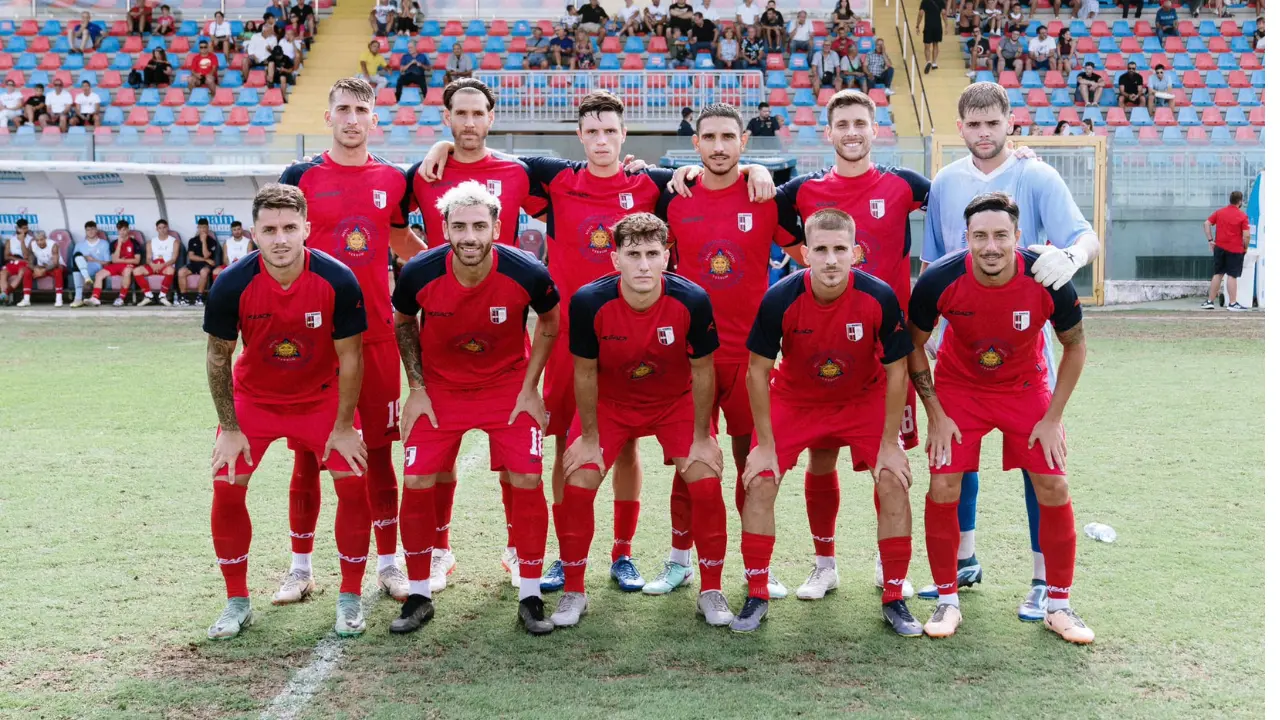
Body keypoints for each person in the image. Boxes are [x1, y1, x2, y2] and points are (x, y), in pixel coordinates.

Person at [415, 90, 774, 595]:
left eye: (611, 131)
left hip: (639, 336)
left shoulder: (651, 183)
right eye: (593, 131)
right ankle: (566, 556)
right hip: (571, 338)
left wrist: (756, 167)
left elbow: (714, 176)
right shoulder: (556, 178)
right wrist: (440, 146)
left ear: (624, 134)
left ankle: (622, 554)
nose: (603, 140)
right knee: (569, 443)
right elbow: (480, 152)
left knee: (624, 448)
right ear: (579, 136)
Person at [918, 82, 1101, 620]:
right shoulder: (946, 181)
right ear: (961, 128)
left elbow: (1085, 237)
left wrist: (1069, 257)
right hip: (959, 343)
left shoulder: (1036, 174)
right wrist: (928, 333)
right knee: (956, 462)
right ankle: (964, 560)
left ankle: (1044, 581)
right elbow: (934, 261)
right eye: (972, 125)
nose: (982, 134)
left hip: (1025, 345)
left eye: (992, 124)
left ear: (1009, 123)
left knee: (1037, 465)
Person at [908, 191, 1092, 645]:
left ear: (1018, 236)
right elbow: (913, 345)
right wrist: (935, 413)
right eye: (980, 236)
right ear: (966, 237)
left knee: (1053, 482)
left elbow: (1076, 345)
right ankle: (947, 599)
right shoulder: (940, 280)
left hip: (1024, 389)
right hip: (959, 390)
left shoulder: (1047, 278)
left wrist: (1052, 418)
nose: (991, 246)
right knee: (943, 481)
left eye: (1001, 236)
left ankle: (1059, 605)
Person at [772, 90, 929, 600]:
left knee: (890, 464)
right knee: (820, 460)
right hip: (821, 349)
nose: (852, 132)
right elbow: (755, 205)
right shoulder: (803, 191)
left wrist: (1019, 158)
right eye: (842, 123)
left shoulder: (904, 185)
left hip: (888, 355)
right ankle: (824, 564)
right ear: (829, 131)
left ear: (876, 128)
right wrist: (756, 174)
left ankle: (892, 568)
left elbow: (963, 194)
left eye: (860, 122)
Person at [277, 77, 427, 607]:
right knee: (306, 455)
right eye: (342, 108)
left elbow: (402, 237)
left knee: (382, 453)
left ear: (374, 119)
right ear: (327, 117)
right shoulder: (300, 176)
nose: (352, 118)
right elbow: (281, 241)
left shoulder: (392, 177)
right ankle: (299, 568)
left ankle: (388, 565)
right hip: (315, 341)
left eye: (362, 109)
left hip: (377, 337)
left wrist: (436, 266)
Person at [735, 208, 918, 635]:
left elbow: (896, 370)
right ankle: (758, 592)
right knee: (760, 477)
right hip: (798, 398)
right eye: (821, 249)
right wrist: (764, 444)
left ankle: (893, 595)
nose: (831, 259)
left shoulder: (878, 296)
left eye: (840, 249)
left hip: (861, 397)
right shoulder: (780, 297)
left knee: (893, 477)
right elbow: (757, 371)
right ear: (804, 253)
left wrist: (890, 443)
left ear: (856, 252)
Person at [390, 182, 561, 635]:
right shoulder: (418, 273)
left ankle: (529, 594)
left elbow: (550, 321)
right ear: (443, 228)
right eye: (459, 226)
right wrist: (417, 387)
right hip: (441, 388)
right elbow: (404, 322)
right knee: (417, 477)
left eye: (479, 226)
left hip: (507, 386)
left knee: (526, 476)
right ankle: (420, 593)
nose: (470, 236)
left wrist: (531, 387)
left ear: (498, 228)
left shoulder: (528, 271)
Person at [401, 80, 551, 589]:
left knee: (519, 466)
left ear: (491, 117)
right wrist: (434, 269)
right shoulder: (424, 172)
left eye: (477, 114)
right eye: (458, 114)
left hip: (504, 336)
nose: (468, 123)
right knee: (433, 463)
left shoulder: (516, 171)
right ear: (446, 117)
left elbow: (575, 187)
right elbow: (395, 226)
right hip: (442, 339)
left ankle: (517, 550)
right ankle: (438, 550)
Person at [202, 183, 369, 640]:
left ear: (306, 230)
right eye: (270, 229)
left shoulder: (337, 279)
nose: (280, 238)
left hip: (320, 398)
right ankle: (237, 600)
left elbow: (352, 359)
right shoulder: (231, 284)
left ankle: (350, 596)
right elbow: (218, 360)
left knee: (353, 483)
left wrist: (342, 427)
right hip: (254, 400)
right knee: (227, 486)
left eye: (290, 228)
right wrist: (231, 429)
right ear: (253, 233)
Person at [553, 212, 729, 629]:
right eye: (633, 255)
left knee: (704, 480)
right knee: (578, 482)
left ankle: (712, 589)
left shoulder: (692, 299)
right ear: (615, 259)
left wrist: (703, 436)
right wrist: (590, 436)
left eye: (653, 253)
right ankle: (573, 591)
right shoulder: (588, 301)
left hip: (675, 402)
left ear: (667, 256)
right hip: (611, 404)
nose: (644, 265)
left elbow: (704, 370)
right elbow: (584, 371)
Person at [657, 104, 803, 599]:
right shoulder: (675, 196)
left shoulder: (766, 195)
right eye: (709, 138)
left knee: (751, 462)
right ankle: (678, 560)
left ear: (744, 141)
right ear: (695, 144)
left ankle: (755, 565)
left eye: (728, 137)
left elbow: (807, 259)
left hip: (750, 357)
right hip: (691, 354)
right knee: (689, 460)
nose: (719, 147)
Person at [1202, 190, 1251, 311]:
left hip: (1219, 248)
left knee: (1218, 274)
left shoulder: (1220, 212)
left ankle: (1210, 301)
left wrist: (1210, 240)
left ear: (1230, 200)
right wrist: (1245, 247)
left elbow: (1206, 223)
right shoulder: (1242, 216)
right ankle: (1232, 303)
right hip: (1235, 249)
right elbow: (1246, 235)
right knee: (1232, 276)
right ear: (1240, 202)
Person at [87, 222, 143, 307]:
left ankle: (121, 298)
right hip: (117, 266)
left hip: (129, 266)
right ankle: (95, 297)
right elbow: (114, 260)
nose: (122, 232)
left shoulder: (134, 243)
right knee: (99, 274)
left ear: (128, 229)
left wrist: (120, 260)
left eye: (124, 229)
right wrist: (120, 244)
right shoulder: (114, 243)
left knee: (127, 271)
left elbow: (137, 261)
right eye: (120, 230)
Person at [132, 219, 179, 306]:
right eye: (160, 228)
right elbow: (148, 258)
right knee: (136, 271)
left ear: (167, 228)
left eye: (164, 227)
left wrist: (162, 265)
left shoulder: (174, 241)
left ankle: (162, 296)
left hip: (166, 265)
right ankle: (148, 295)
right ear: (157, 229)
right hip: (153, 265)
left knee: (171, 270)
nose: (162, 230)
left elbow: (173, 259)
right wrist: (152, 265)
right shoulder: (151, 242)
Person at [178, 219, 220, 306]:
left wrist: (204, 241)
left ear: (208, 228)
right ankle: (184, 297)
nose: (203, 229)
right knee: (181, 272)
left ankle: (199, 297)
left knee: (204, 272)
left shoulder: (212, 241)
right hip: (194, 264)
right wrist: (205, 259)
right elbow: (191, 256)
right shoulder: (192, 240)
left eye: (204, 227)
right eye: (200, 227)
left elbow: (206, 255)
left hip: (206, 266)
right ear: (198, 228)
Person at [69, 221, 111, 308]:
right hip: (81, 269)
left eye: (92, 229)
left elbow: (107, 262)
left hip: (96, 268)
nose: (90, 232)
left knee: (77, 258)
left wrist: (93, 260)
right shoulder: (79, 245)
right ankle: (86, 278)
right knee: (77, 257)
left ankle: (78, 299)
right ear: (85, 231)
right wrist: (84, 258)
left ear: (96, 230)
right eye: (88, 230)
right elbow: (74, 261)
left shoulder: (104, 243)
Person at [26, 231, 64, 307]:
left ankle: (59, 299)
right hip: (42, 267)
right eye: (37, 240)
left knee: (58, 271)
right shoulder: (32, 245)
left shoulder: (53, 245)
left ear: (46, 238)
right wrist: (35, 269)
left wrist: (43, 271)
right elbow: (29, 263)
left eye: (41, 239)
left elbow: (55, 263)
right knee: (27, 272)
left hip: (56, 266)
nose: (39, 242)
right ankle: (26, 299)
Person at [0, 219, 31, 306]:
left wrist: (22, 241)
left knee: (21, 272)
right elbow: (6, 256)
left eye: (26, 228)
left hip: (24, 263)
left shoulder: (31, 240)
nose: (25, 230)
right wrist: (16, 259)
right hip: (13, 262)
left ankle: (4, 294)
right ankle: (4, 296)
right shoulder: (10, 240)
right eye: (23, 228)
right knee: (3, 273)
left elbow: (26, 256)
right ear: (18, 228)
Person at [917, 0, 945, 72]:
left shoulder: (925, 1)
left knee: (927, 45)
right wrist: (947, 24)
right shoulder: (941, 1)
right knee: (935, 44)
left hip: (928, 26)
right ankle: (934, 63)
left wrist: (917, 25)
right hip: (937, 26)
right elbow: (944, 13)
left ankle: (928, 61)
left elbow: (921, 13)